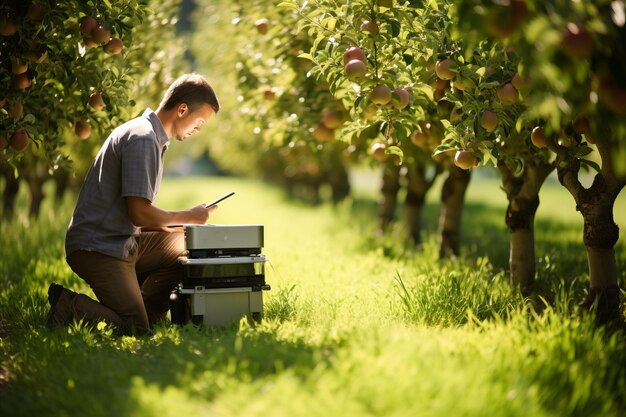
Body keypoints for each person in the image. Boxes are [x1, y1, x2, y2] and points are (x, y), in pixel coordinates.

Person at [46, 73, 220, 335]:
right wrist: (190, 216)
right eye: (200, 121)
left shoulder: (152, 137)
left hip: (121, 239)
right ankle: (68, 305)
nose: (199, 129)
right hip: (99, 247)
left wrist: (175, 228)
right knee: (135, 329)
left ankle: (144, 310)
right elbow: (139, 213)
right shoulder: (143, 138)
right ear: (182, 109)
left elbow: (135, 215)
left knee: (185, 243)